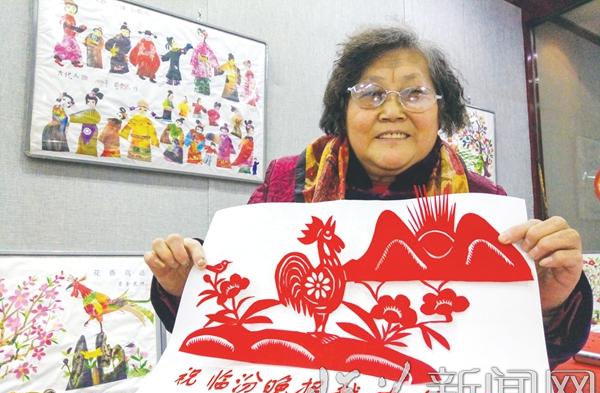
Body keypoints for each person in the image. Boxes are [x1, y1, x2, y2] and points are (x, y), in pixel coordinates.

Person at [145, 27, 592, 369]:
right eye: (371, 94)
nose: (392, 111)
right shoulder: (285, 185)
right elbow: (222, 323)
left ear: (442, 110)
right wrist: (184, 284)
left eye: (414, 94)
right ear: (343, 110)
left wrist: (552, 300)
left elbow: (528, 359)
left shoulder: (482, 202)